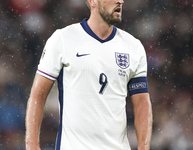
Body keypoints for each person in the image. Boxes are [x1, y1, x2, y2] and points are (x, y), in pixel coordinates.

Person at [25, 0, 153, 149]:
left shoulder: (133, 47)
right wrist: (32, 144)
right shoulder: (62, 39)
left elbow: (142, 104)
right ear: (92, 1)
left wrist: (144, 147)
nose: (120, 1)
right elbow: (38, 95)